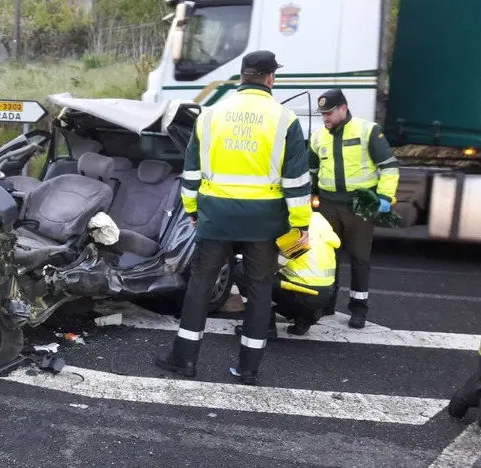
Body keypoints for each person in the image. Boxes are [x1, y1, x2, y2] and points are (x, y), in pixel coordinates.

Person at [157, 50, 312, 385]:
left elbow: (192, 172)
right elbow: (297, 181)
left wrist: (195, 211)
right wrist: (300, 225)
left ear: (241, 76)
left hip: (217, 217)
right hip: (263, 222)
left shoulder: (210, 115)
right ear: (271, 78)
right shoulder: (285, 120)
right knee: (259, 291)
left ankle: (183, 359)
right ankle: (248, 369)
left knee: (200, 285)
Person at [309, 89, 399, 328]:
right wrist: (310, 197)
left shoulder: (367, 130)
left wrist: (385, 197)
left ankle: (358, 309)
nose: (325, 118)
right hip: (328, 205)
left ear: (343, 108)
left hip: (359, 205)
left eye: (329, 113)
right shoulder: (318, 137)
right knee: (327, 258)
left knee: (359, 259)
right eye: (322, 114)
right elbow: (312, 172)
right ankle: (326, 303)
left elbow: (389, 167)